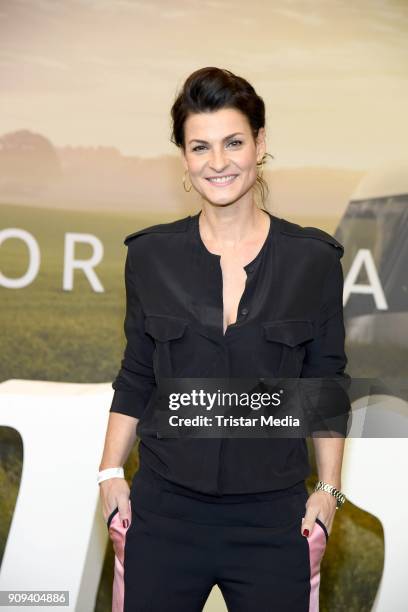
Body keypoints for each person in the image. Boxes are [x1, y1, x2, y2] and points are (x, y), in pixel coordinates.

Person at [98, 67, 350, 612]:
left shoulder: (314, 260)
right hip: (163, 515)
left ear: (260, 144)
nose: (218, 162)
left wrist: (328, 493)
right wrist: (110, 473)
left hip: (274, 522)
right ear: (184, 158)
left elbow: (325, 384)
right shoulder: (149, 256)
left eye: (233, 142)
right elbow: (137, 372)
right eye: (200, 147)